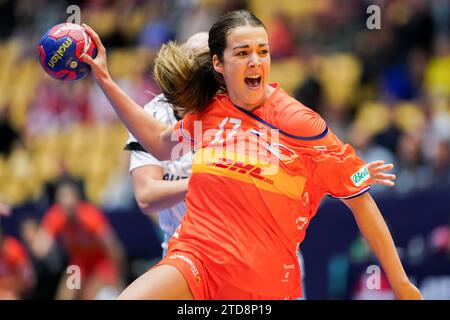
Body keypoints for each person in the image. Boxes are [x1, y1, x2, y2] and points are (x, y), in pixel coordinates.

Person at [81, 10, 422, 299]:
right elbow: (159, 142)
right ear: (219, 63)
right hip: (195, 258)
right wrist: (105, 79)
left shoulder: (298, 122)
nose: (256, 60)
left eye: (263, 51)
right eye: (243, 52)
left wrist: (402, 282)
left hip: (262, 279)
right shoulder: (211, 111)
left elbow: (359, 198)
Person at [31, 180, 126, 299]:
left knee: (89, 295)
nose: (67, 205)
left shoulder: (90, 216)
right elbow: (41, 245)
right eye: (63, 200)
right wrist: (38, 242)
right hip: (79, 266)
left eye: (70, 199)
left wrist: (117, 274)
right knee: (66, 295)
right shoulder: (56, 216)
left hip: (101, 264)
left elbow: (113, 247)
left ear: (77, 200)